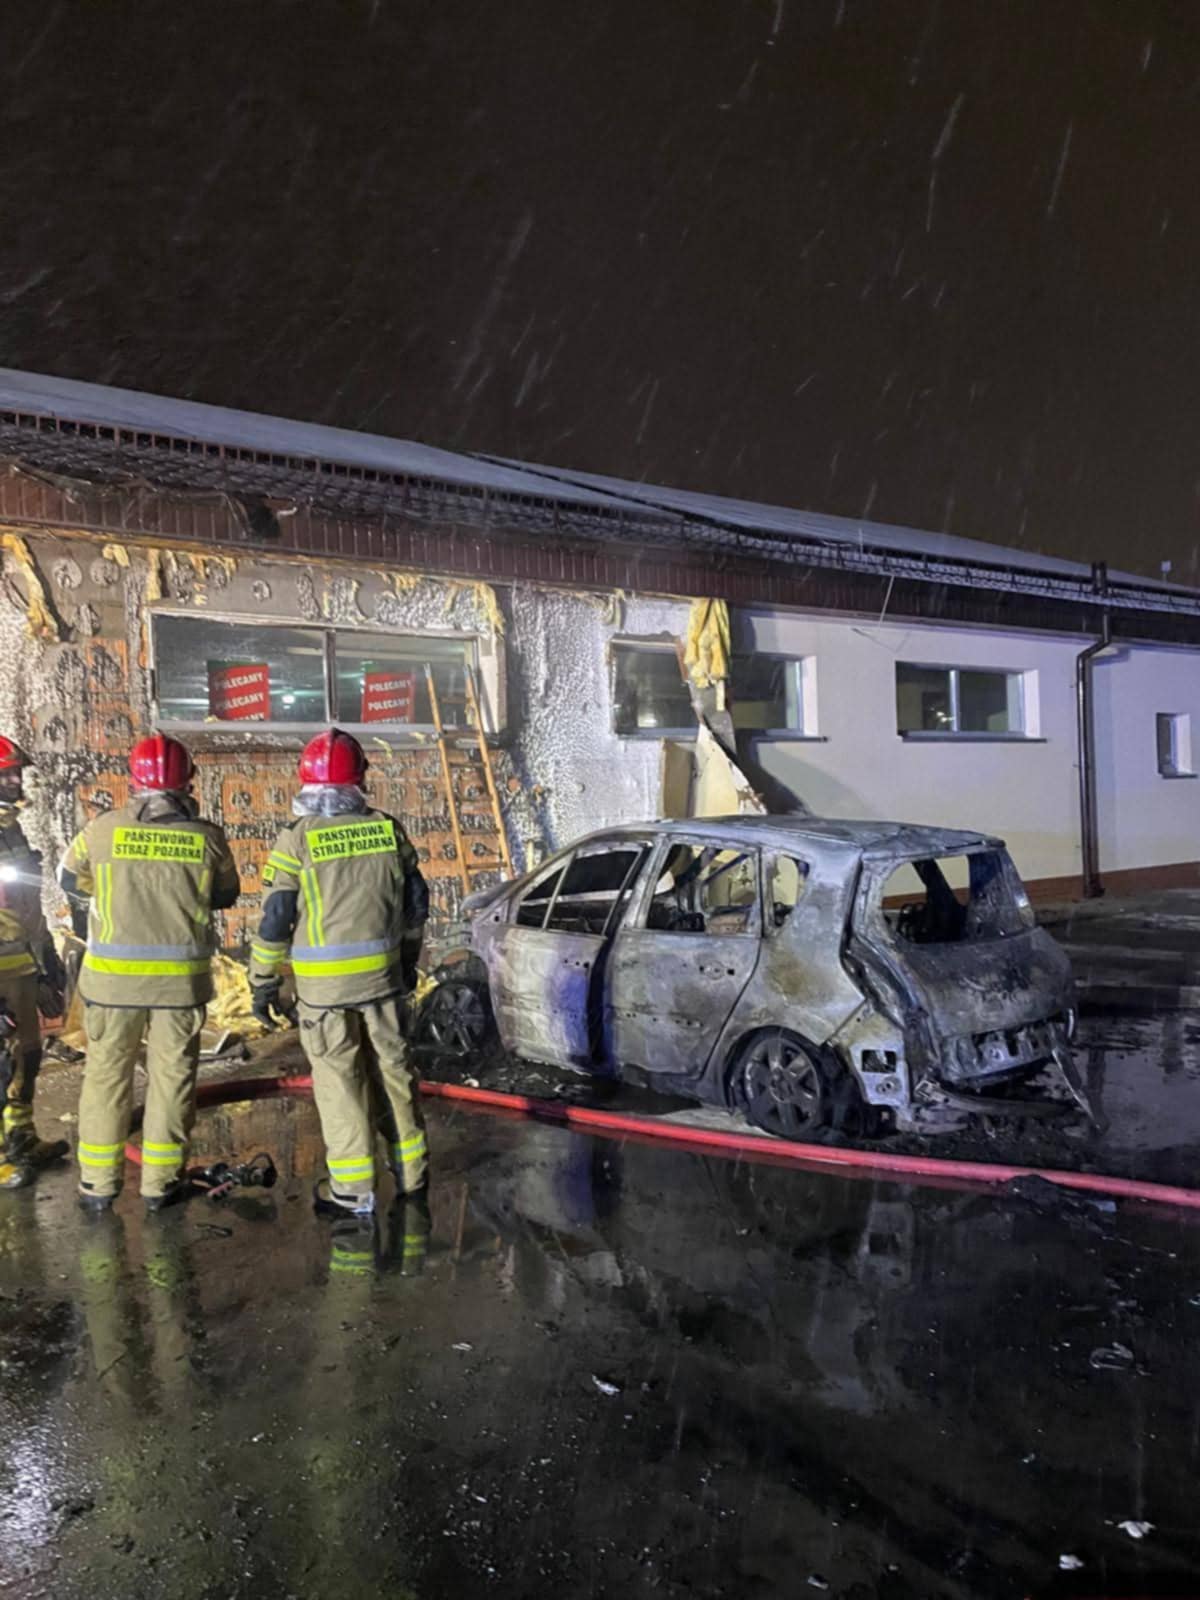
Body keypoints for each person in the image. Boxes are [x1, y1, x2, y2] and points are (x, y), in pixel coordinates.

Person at [249, 728, 430, 1215]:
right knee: (394, 1074)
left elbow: (276, 919)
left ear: (306, 783)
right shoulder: (387, 829)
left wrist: (263, 981)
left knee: (341, 1083)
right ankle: (412, 1175)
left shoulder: (297, 839)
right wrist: (407, 961)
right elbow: (416, 904)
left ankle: (352, 1191)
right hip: (383, 983)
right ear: (360, 780)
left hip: (325, 994)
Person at [58, 733, 240, 1212]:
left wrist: (110, 893)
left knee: (106, 1077)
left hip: (111, 984)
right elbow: (225, 895)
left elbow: (67, 878)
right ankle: (161, 1184)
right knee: (172, 1079)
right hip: (178, 986)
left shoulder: (101, 830)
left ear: (133, 780)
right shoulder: (208, 837)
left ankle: (97, 1186)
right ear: (187, 782)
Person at [0, 737, 69, 1189]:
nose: (14, 780)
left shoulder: (12, 829)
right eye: (5, 774)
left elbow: (26, 902)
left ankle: (20, 1138)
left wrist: (47, 960)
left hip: (20, 965)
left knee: (26, 1054)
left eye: (15, 773)